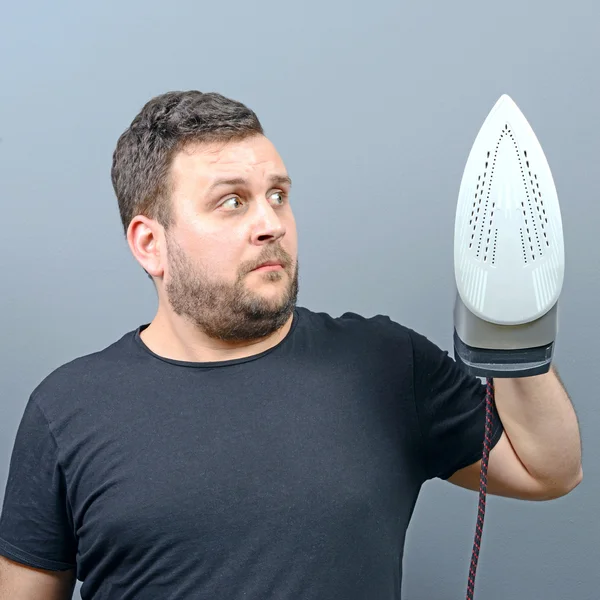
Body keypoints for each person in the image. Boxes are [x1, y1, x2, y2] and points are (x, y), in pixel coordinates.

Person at [0, 90, 582, 600]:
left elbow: (549, 470)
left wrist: (512, 321)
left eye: (277, 194)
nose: (271, 222)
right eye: (233, 201)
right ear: (150, 243)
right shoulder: (67, 408)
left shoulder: (382, 363)